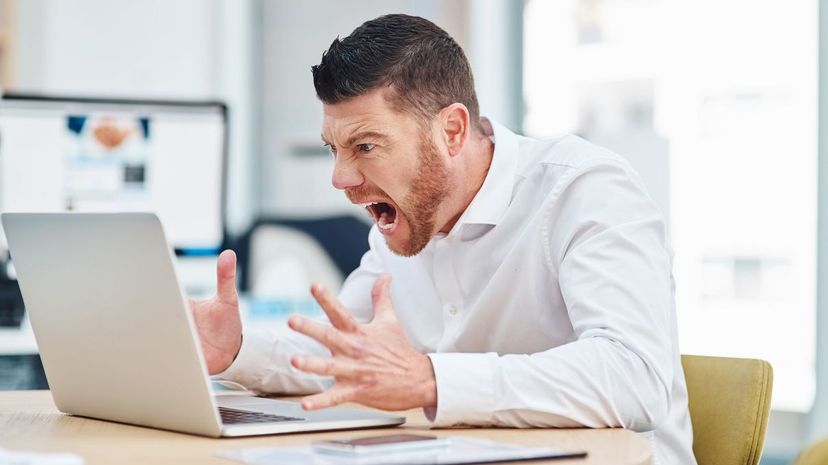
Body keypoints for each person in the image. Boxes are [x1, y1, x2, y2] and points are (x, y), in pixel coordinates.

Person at [189, 14, 696, 465]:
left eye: (365, 146)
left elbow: (634, 378)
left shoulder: (585, 190)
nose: (340, 179)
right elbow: (345, 355)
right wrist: (233, 349)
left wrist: (430, 381)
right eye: (334, 149)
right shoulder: (404, 218)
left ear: (451, 131)